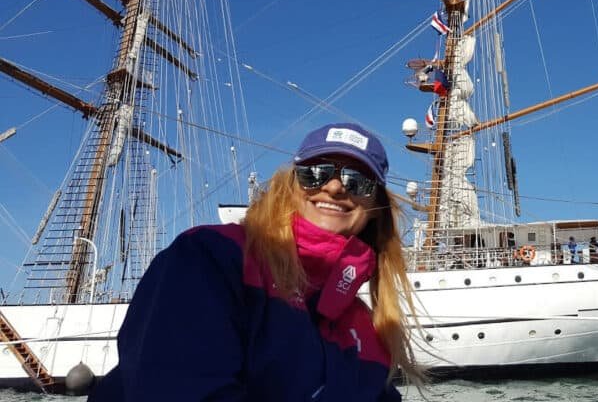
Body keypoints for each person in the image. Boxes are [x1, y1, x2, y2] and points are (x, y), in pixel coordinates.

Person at [90, 122, 422, 401]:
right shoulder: (211, 257)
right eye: (315, 173)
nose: (334, 187)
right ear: (291, 186)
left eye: (357, 180)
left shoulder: (367, 326)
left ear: (374, 204)